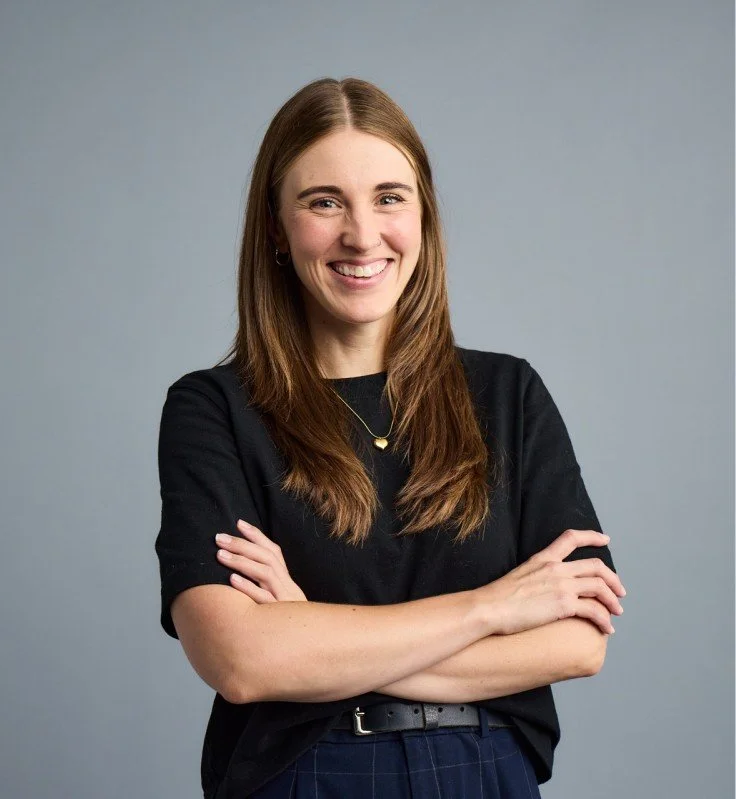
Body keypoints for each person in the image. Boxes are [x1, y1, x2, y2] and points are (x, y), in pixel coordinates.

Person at [154, 76, 626, 799]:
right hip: (307, 776)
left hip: (485, 774)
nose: (362, 234)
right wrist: (492, 609)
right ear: (276, 228)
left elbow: (578, 641)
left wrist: (311, 636)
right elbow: (241, 661)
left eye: (389, 197)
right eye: (324, 202)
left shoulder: (508, 394)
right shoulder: (213, 409)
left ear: (424, 215)